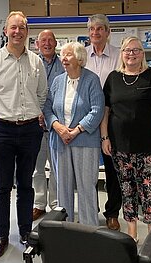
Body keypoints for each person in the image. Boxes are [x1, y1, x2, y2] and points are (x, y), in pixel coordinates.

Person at [0, 11, 48, 259]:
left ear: (27, 32)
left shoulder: (36, 62)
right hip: (3, 130)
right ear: (5, 31)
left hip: (30, 130)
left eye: (22, 27)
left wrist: (31, 114)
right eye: (13, 27)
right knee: (3, 186)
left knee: (26, 185)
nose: (18, 32)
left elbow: (42, 94)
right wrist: (2, 114)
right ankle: (2, 236)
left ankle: (26, 233)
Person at [100, 36, 151, 242]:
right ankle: (132, 233)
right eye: (127, 50)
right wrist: (105, 137)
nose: (131, 54)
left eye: (136, 50)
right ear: (121, 54)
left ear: (143, 53)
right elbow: (105, 110)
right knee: (126, 189)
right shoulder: (113, 78)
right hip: (120, 147)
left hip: (150, 147)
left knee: (150, 191)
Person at [43, 41, 104, 226]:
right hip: (60, 141)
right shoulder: (58, 81)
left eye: (68, 54)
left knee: (86, 187)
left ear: (79, 58)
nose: (63, 58)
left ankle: (89, 228)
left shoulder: (92, 80)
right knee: (63, 187)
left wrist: (76, 130)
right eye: (62, 54)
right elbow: (47, 107)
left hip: (85, 141)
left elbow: (97, 109)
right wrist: (57, 126)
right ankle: (66, 228)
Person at [84, 14, 123, 231]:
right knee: (87, 170)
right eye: (92, 29)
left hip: (112, 119)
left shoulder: (119, 55)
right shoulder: (83, 57)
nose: (96, 32)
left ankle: (112, 213)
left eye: (100, 29)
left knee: (113, 170)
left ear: (108, 32)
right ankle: (90, 212)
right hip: (87, 120)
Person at [32, 29, 65, 221]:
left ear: (55, 43)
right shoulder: (32, 63)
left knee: (55, 167)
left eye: (50, 40)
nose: (46, 43)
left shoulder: (63, 63)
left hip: (56, 124)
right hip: (35, 123)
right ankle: (39, 204)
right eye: (42, 40)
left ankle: (55, 204)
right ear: (37, 44)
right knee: (37, 167)